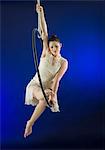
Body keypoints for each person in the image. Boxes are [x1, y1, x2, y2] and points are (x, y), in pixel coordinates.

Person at [24, 3, 68, 138]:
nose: (54, 49)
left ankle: (30, 123)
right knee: (45, 97)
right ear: (48, 48)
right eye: (51, 47)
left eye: (56, 46)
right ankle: (30, 123)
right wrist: (40, 13)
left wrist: (54, 94)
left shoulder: (63, 62)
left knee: (46, 99)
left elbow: (56, 80)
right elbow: (44, 32)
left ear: (60, 46)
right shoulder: (45, 53)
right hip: (35, 86)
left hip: (47, 88)